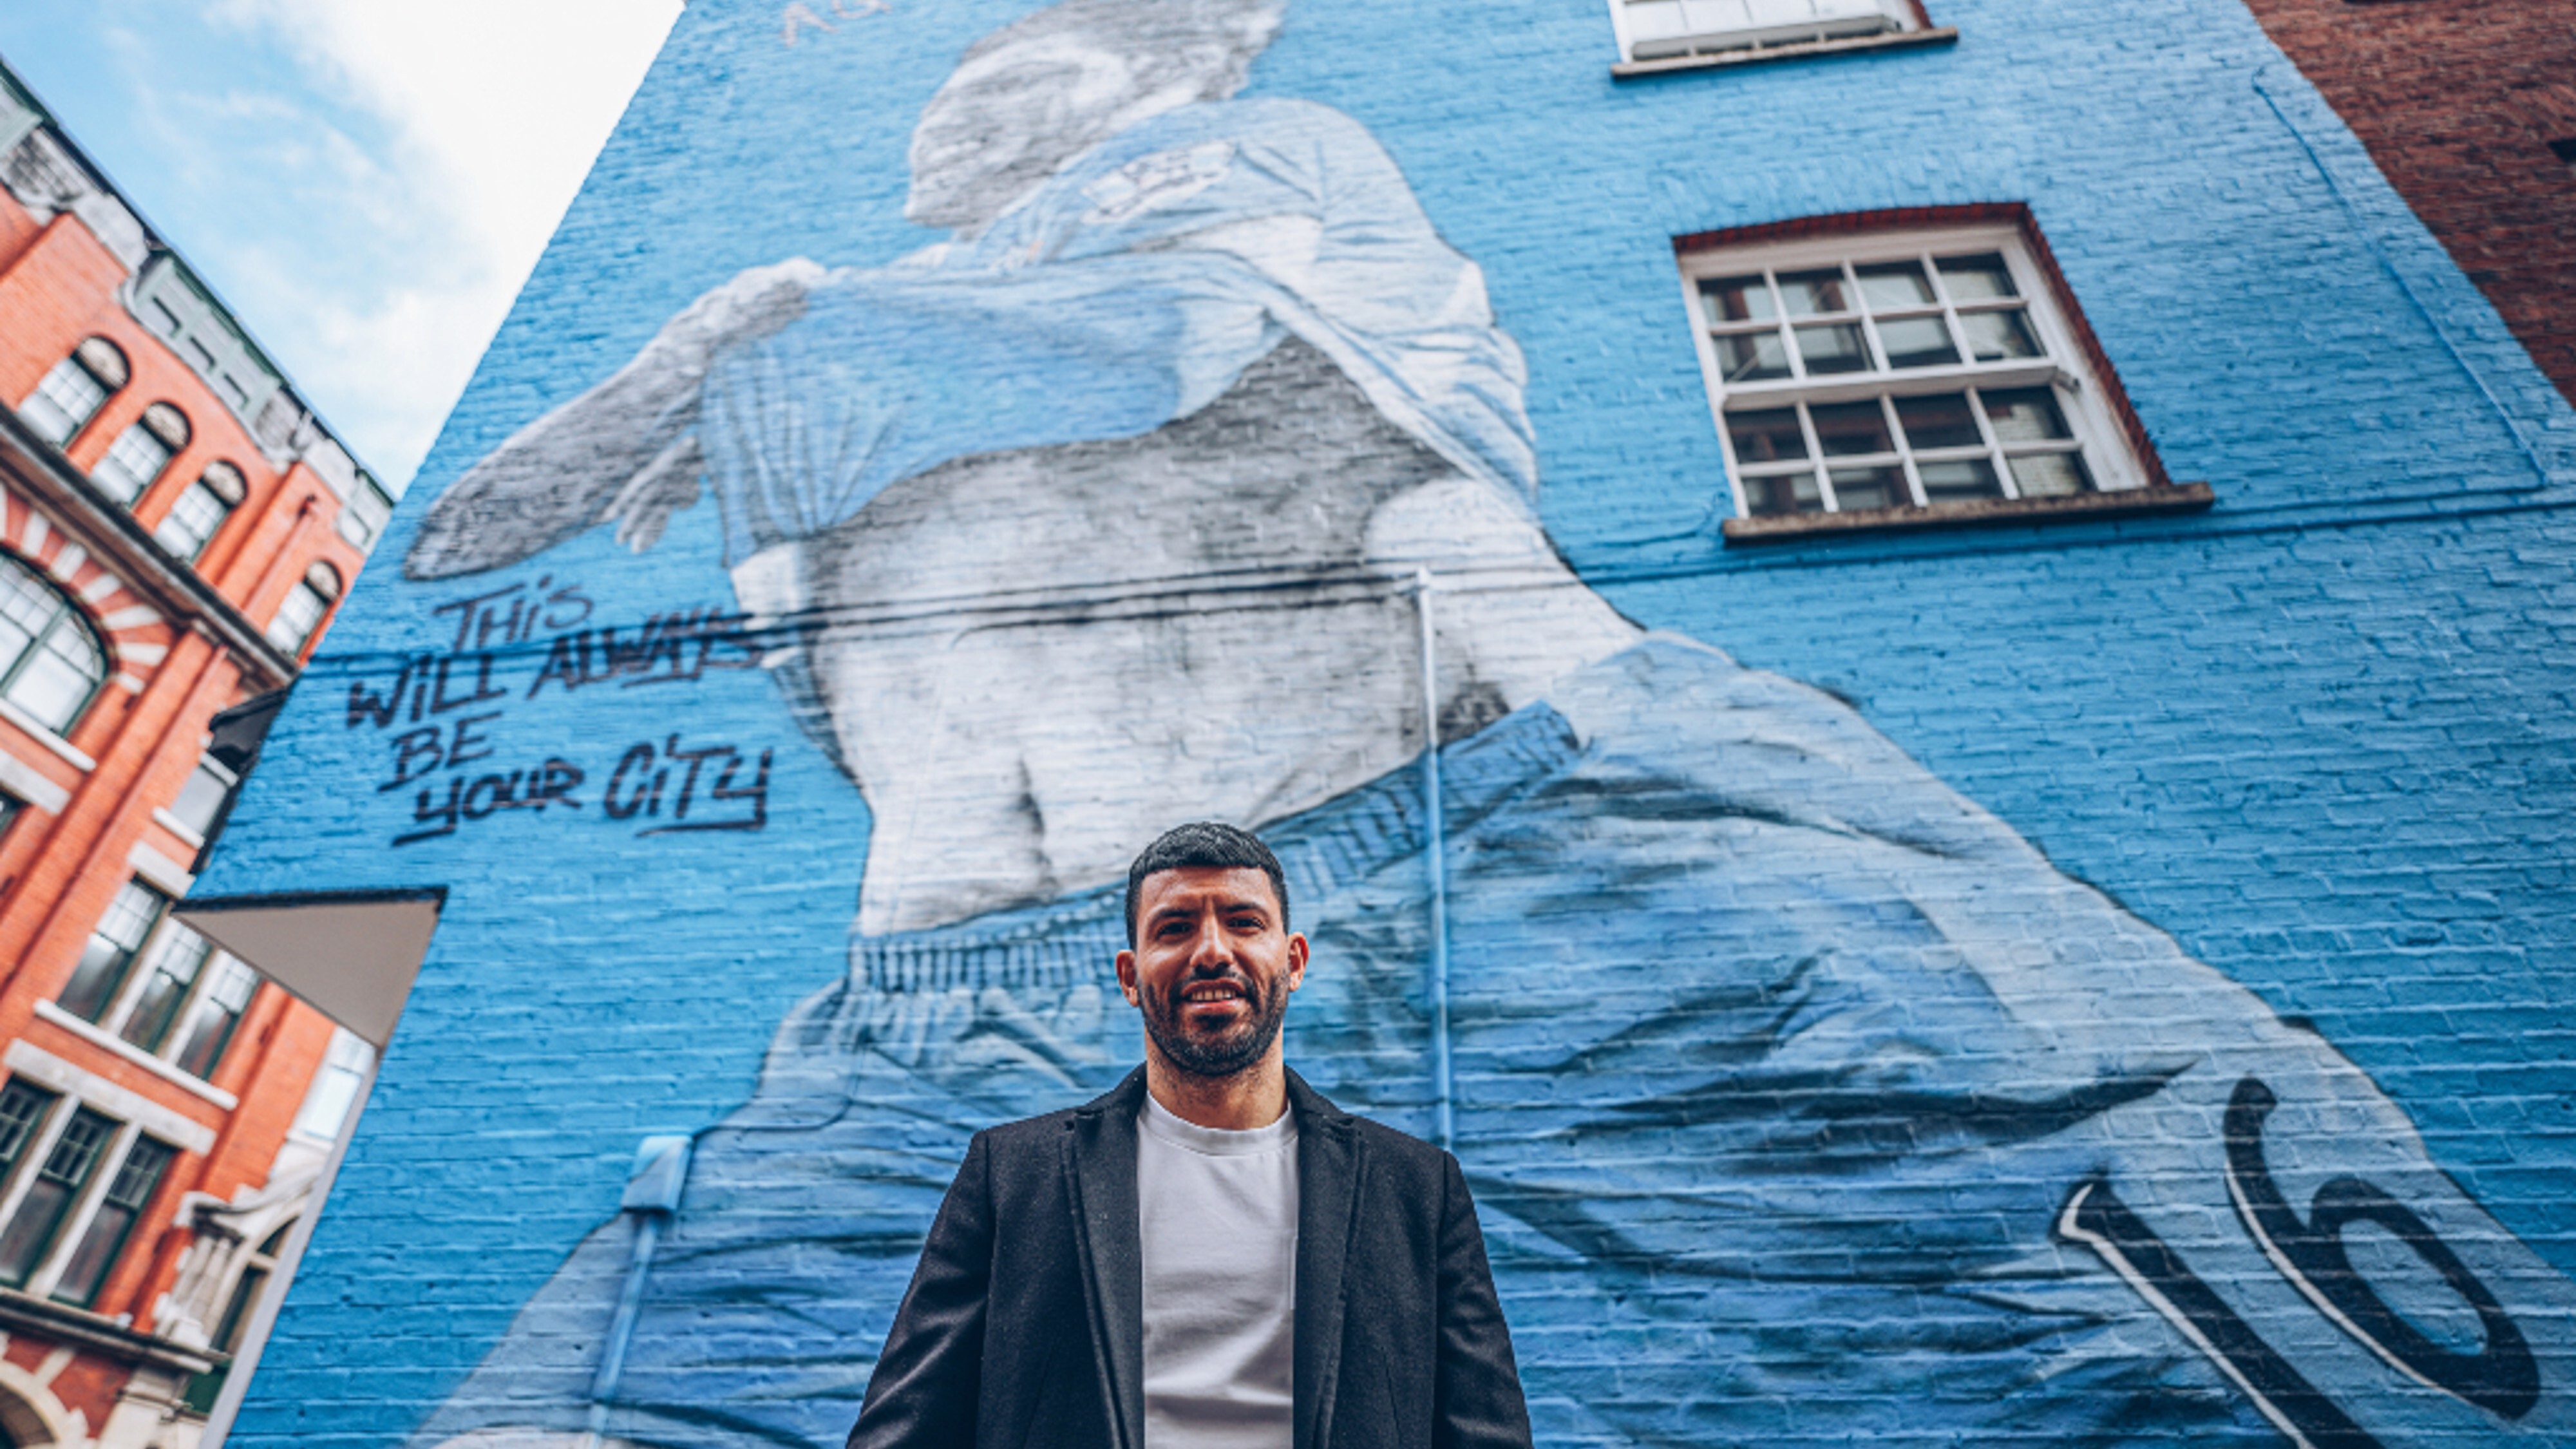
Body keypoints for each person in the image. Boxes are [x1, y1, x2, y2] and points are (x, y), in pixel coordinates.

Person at [406, 0, 2576, 1445]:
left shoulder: (1269, 154)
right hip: (942, 1039)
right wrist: (731, 350)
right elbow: (467, 546)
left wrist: (760, 322)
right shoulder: (823, 349)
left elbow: (1159, 347)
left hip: (1590, 902)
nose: (943, 97)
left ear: (1170, 39)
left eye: (1005, 52)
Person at [847, 822, 1531, 1449]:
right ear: (1129, 978)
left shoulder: (1414, 1187)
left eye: (1243, 922)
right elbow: (905, 1429)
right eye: (1174, 928)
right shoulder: (1013, 1177)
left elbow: (1485, 1434)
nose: (1211, 950)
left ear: (1292, 961)